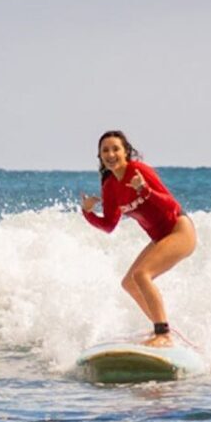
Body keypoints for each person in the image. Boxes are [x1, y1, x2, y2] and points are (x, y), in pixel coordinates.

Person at [80, 130, 197, 347]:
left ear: (126, 152)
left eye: (116, 148)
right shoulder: (110, 186)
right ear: (100, 157)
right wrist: (87, 212)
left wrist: (144, 190)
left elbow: (171, 205)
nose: (110, 154)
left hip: (180, 230)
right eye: (105, 150)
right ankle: (161, 328)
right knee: (129, 283)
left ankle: (163, 334)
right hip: (160, 238)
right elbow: (108, 225)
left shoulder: (139, 171)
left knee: (142, 274)